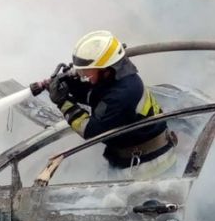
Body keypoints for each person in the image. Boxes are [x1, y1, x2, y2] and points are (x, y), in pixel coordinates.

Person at [43, 30, 176, 177]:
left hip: (149, 168)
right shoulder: (115, 78)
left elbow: (90, 131)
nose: (83, 74)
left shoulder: (123, 93)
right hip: (131, 158)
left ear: (106, 69)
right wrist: (71, 87)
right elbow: (95, 97)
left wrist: (63, 103)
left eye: (87, 71)